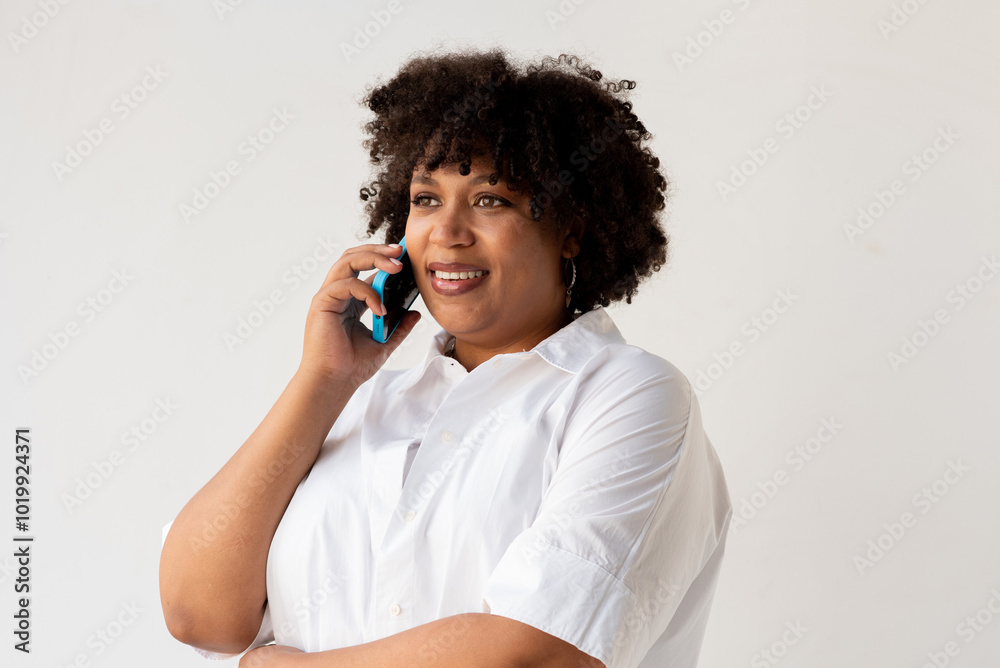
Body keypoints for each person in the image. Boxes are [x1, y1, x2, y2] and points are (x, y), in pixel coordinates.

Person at [159, 48, 732, 668]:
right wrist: (323, 380)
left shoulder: (629, 394)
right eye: (426, 199)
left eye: (491, 201)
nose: (447, 231)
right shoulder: (360, 407)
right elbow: (199, 615)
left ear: (571, 228)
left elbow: (540, 650)